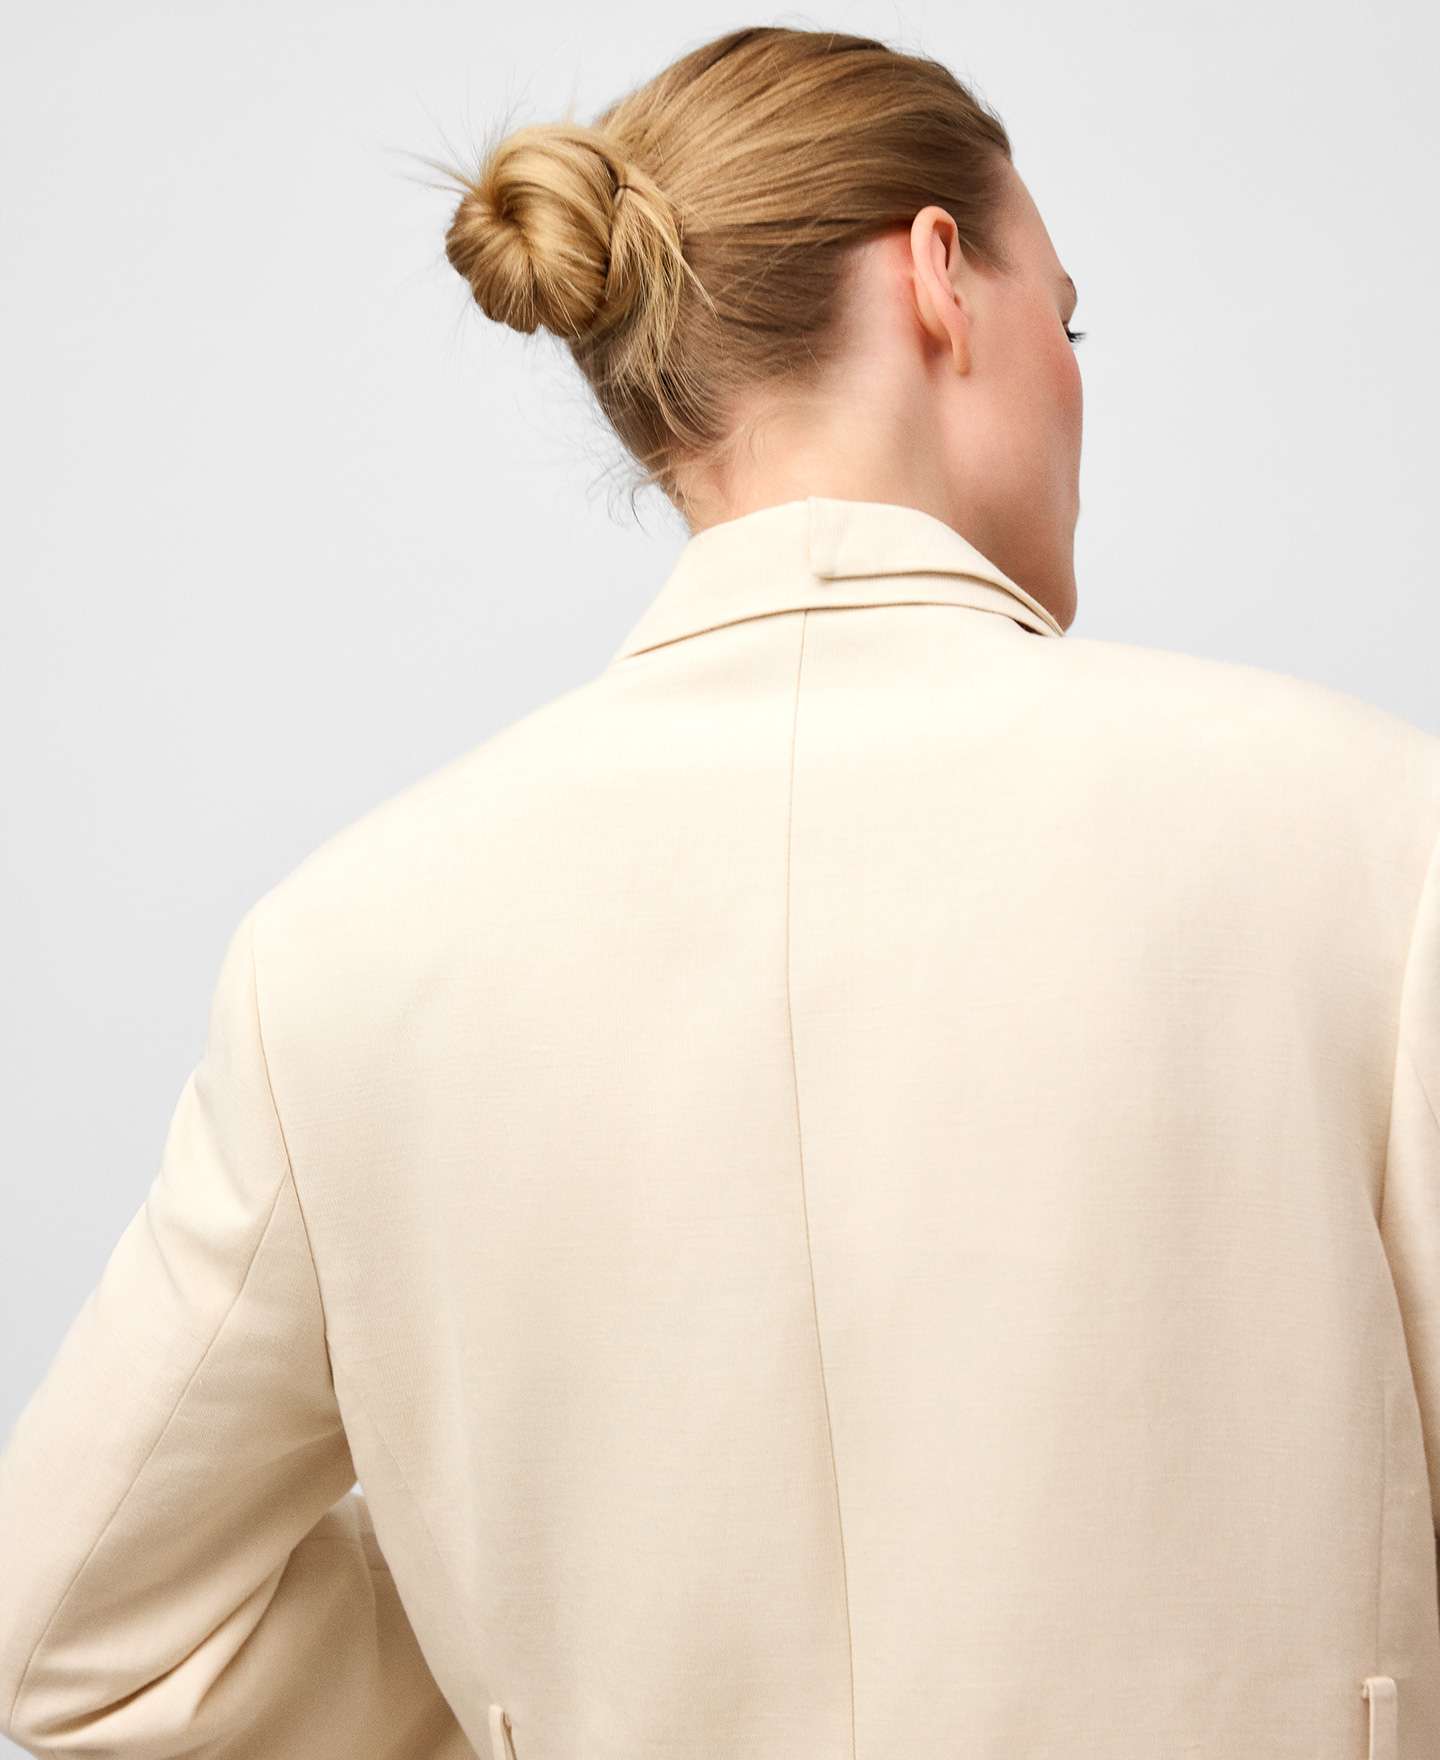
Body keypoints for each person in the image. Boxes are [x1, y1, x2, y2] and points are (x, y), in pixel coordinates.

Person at [1, 23, 1436, 1760]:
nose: (1076, 386)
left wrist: (527, 1631)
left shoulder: (338, 953)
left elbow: (72, 1644)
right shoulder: (1375, 830)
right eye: (1068, 321)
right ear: (940, 281)